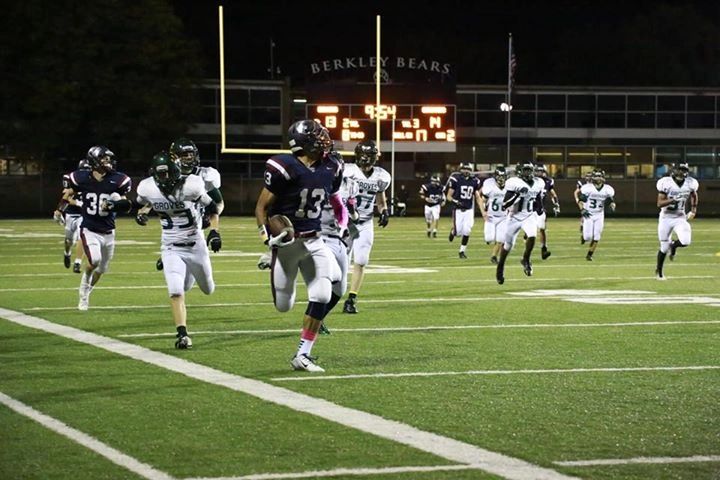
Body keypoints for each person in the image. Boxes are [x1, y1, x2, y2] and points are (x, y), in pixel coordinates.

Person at [255, 119, 346, 372]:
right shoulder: (285, 167)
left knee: (322, 294)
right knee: (284, 305)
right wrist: (267, 238)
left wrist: (343, 220)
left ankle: (302, 355)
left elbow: (335, 197)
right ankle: (272, 261)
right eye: (317, 136)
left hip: (315, 239)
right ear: (304, 143)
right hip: (286, 245)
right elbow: (262, 207)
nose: (324, 138)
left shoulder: (333, 165)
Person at [135, 152, 221, 349]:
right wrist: (139, 213)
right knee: (175, 291)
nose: (164, 179)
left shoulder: (192, 185)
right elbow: (143, 203)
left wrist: (214, 230)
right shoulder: (149, 187)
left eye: (167, 174)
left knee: (208, 289)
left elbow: (213, 206)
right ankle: (182, 334)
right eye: (160, 175)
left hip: (195, 245)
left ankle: (186, 268)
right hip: (170, 246)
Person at [62, 146, 132, 310]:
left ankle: (88, 290)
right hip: (89, 229)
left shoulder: (117, 180)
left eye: (109, 159)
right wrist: (60, 210)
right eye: (104, 159)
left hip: (109, 231)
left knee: (102, 269)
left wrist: (114, 205)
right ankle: (83, 293)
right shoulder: (82, 178)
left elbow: (127, 205)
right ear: (94, 160)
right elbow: (67, 195)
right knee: (95, 260)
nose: (108, 162)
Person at [149, 138, 224, 271]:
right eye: (185, 154)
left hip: (198, 220)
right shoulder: (166, 175)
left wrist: (213, 226)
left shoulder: (205, 175)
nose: (189, 158)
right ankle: (170, 253)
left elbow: (218, 203)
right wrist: (144, 210)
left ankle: (172, 255)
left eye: (191, 154)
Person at [341, 139, 390, 314]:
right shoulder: (347, 171)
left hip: (365, 222)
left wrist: (384, 211)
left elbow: (380, 200)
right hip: (345, 223)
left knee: (361, 261)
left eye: (368, 155)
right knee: (340, 264)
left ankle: (351, 299)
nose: (365, 159)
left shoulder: (381, 176)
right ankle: (331, 296)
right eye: (363, 155)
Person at [495, 161, 545, 284]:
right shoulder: (513, 183)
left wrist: (540, 208)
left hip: (529, 216)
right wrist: (517, 194)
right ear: (519, 172)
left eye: (529, 170)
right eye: (525, 170)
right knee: (508, 246)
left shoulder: (539, 183)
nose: (528, 173)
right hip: (514, 217)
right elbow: (505, 204)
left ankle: (526, 259)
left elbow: (537, 197)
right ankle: (500, 266)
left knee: (532, 236)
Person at [655, 162, 699, 280]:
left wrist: (693, 210)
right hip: (665, 218)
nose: (682, 172)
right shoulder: (666, 183)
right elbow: (659, 203)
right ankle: (659, 271)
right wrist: (672, 200)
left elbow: (694, 195)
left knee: (685, 241)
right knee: (664, 247)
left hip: (680, 217)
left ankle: (674, 246)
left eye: (684, 170)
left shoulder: (691, 183)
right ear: (674, 170)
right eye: (680, 170)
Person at [53, 159, 89, 273]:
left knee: (81, 237)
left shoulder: (95, 180)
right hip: (71, 212)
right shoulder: (71, 179)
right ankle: (67, 253)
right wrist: (60, 210)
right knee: (69, 240)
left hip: (85, 215)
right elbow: (67, 197)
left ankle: (77, 262)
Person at [446, 162, 482, 259]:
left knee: (467, 230)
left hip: (469, 210)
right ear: (461, 169)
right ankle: (453, 231)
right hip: (458, 210)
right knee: (458, 233)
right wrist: (456, 201)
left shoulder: (475, 181)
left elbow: (477, 196)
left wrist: (482, 210)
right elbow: (448, 196)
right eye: (464, 169)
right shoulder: (456, 180)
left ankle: (462, 251)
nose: (466, 171)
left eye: (468, 169)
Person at [578, 169, 616, 261]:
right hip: (589, 213)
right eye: (596, 176)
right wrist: (582, 209)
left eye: (600, 176)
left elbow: (610, 199)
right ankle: (583, 236)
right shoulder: (588, 188)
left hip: (599, 214)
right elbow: (581, 201)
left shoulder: (607, 189)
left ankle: (589, 255)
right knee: (588, 237)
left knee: (597, 235)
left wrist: (612, 204)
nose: (598, 178)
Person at [479, 166, 507, 264]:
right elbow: (483, 200)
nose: (501, 179)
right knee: (489, 239)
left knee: (500, 239)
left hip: (503, 217)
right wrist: (484, 211)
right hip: (491, 216)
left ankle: (494, 256)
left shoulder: (509, 187)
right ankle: (490, 239)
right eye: (499, 176)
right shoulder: (489, 186)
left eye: (503, 176)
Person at [533, 164, 560, 260]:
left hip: (540, 209)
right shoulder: (530, 181)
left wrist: (556, 204)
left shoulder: (547, 182)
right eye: (537, 171)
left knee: (542, 229)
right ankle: (527, 253)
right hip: (529, 210)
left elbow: (553, 194)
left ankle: (544, 249)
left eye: (541, 171)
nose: (539, 173)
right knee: (530, 233)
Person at [574, 171, 593, 244]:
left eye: (590, 176)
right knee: (585, 216)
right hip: (585, 202)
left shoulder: (594, 184)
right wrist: (577, 200)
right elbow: (576, 192)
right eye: (587, 176)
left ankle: (585, 233)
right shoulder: (582, 184)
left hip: (591, 202)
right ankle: (583, 232)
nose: (589, 177)